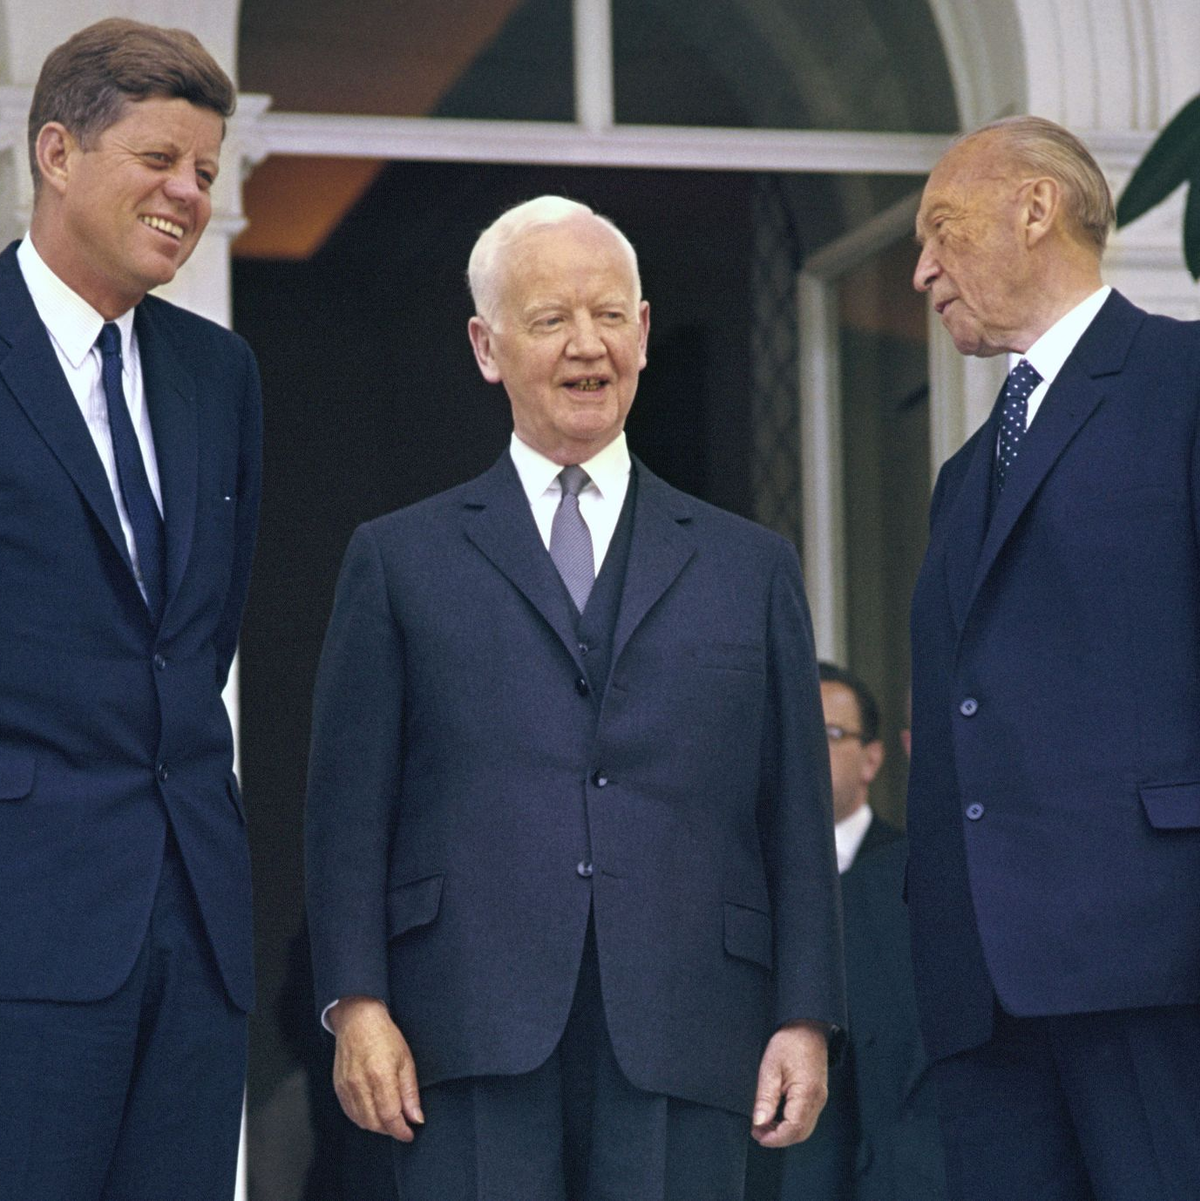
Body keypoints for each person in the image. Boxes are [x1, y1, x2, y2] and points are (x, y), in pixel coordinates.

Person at [305, 195, 845, 1200]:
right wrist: (358, 1002)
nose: (586, 346)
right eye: (551, 320)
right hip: (461, 1024)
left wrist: (804, 1013)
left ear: (643, 332)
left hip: (694, 1020)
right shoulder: (398, 558)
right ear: (487, 345)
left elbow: (795, 815)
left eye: (610, 315)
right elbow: (347, 809)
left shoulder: (750, 566)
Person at [907, 114, 1200, 1200]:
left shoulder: (1184, 381)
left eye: (942, 229)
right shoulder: (965, 473)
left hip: (1156, 963)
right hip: (984, 998)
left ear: (1036, 209)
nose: (924, 268)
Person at [0, 19, 262, 1201]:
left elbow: (202, 639)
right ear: (57, 152)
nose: (188, 192)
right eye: (160, 158)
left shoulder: (221, 374)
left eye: (206, 170)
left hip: (195, 934)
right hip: (24, 925)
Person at [750, 664, 945, 1201]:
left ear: (876, 757)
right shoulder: (739, 883)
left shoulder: (910, 876)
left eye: (831, 736)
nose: (807, 752)